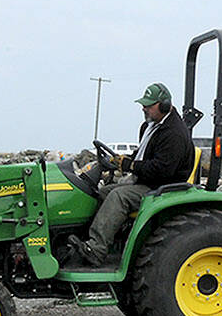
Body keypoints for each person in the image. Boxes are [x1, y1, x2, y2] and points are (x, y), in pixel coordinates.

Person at [62, 82, 195, 268]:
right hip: (148, 181)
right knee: (102, 192)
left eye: (149, 105)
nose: (144, 108)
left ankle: (97, 250)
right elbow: (144, 155)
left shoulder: (174, 134)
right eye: (144, 105)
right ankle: (95, 242)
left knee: (119, 196)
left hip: (160, 186)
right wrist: (123, 161)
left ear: (164, 105)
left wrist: (129, 165)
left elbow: (161, 170)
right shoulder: (151, 126)